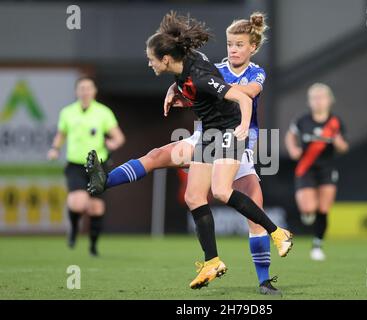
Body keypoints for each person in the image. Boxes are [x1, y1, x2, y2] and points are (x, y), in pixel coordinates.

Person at [86, 11, 293, 290]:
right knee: (185, 186)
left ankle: (266, 275)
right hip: (207, 134)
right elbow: (196, 78)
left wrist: (230, 116)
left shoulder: (251, 72)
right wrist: (177, 88)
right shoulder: (206, 65)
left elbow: (244, 94)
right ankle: (105, 181)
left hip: (237, 136)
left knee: (237, 201)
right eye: (231, 43)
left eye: (240, 44)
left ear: (252, 47)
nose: (233, 49)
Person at [47, 77, 125, 256]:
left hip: (98, 166)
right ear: (76, 91)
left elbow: (119, 137)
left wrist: (113, 143)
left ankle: (93, 246)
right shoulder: (67, 112)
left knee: (96, 207)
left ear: (94, 91)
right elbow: (61, 134)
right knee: (77, 203)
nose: (85, 91)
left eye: (88, 88)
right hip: (75, 164)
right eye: (81, 88)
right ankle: (74, 229)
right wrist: (54, 149)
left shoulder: (103, 112)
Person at [285, 83, 349, 261]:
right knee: (308, 208)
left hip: (327, 169)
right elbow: (290, 135)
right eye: (314, 98)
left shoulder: (335, 122)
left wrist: (339, 143)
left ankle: (317, 245)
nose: (318, 102)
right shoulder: (302, 120)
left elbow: (344, 147)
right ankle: (307, 214)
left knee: (323, 208)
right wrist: (293, 149)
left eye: (322, 97)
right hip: (306, 168)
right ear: (309, 101)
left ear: (329, 100)